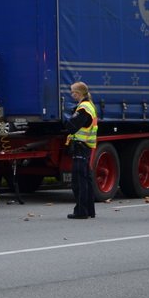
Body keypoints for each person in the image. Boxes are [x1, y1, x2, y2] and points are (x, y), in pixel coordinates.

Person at [64, 81, 97, 219]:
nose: (72, 95)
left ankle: (81, 211)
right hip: (86, 146)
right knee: (86, 179)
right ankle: (89, 210)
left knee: (79, 181)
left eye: (73, 92)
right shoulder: (89, 105)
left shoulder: (83, 108)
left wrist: (66, 118)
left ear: (79, 93)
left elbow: (72, 126)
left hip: (81, 146)